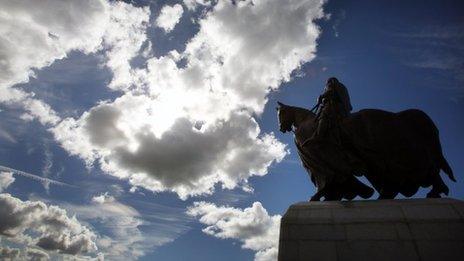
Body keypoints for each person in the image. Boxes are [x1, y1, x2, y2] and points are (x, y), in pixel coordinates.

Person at [307, 77, 352, 144]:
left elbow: (330, 92)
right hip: (344, 108)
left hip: (335, 106)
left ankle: (319, 136)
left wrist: (321, 96)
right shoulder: (341, 86)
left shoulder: (331, 84)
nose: (327, 84)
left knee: (323, 115)